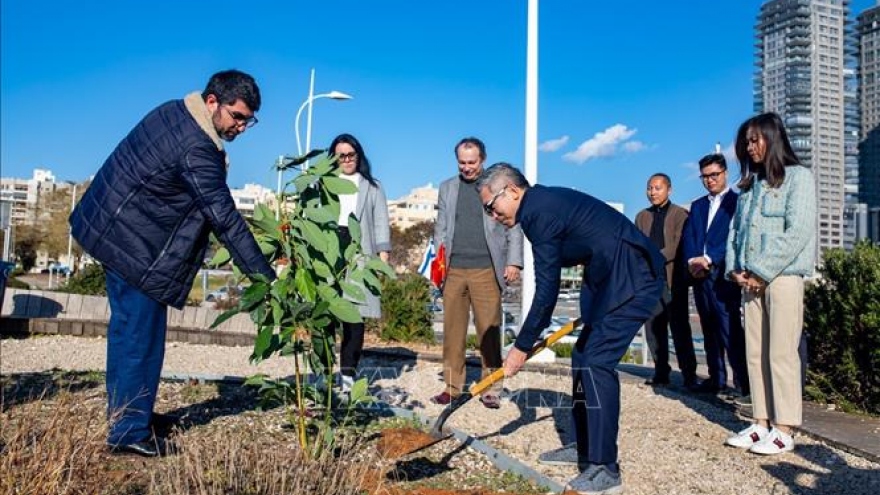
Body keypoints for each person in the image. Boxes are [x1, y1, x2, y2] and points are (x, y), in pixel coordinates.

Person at [69, 70, 276, 457]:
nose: (242, 127)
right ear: (213, 102)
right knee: (140, 339)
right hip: (134, 244)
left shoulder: (175, 111)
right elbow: (224, 219)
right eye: (237, 116)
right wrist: (267, 278)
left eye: (249, 120)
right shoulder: (196, 147)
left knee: (129, 331)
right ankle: (128, 433)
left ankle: (131, 414)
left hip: (117, 231)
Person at [477, 163, 665, 494]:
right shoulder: (540, 208)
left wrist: (520, 348)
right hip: (609, 280)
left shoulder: (539, 213)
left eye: (491, 206)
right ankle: (584, 447)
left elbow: (547, 292)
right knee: (581, 356)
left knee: (597, 362)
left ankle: (606, 468)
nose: (493, 216)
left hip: (634, 278)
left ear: (513, 191)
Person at [724, 112, 816, 455]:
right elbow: (737, 232)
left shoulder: (798, 178)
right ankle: (760, 421)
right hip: (750, 281)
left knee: (781, 352)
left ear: (772, 138)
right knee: (755, 353)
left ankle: (785, 426)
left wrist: (760, 270)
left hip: (783, 278)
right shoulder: (750, 187)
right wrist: (736, 270)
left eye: (755, 140)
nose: (750, 148)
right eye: (746, 142)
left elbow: (798, 232)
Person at [431, 137, 523, 409]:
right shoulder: (447, 188)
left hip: (486, 269)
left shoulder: (495, 185)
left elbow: (514, 226)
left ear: (482, 159)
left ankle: (491, 387)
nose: (467, 167)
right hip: (453, 270)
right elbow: (441, 228)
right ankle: (451, 387)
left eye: (472, 162)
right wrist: (438, 265)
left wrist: (514, 262)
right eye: (462, 162)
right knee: (453, 332)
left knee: (489, 332)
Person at [325, 133, 391, 391]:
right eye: (341, 155)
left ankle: (348, 377)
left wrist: (383, 255)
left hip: (359, 251)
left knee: (354, 317)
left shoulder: (372, 186)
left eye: (351, 154)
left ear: (359, 155)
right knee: (327, 315)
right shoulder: (325, 184)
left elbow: (381, 222)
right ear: (334, 158)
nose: (347, 159)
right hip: (329, 250)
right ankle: (323, 372)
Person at [681, 153, 750, 397]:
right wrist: (692, 261)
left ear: (725, 173)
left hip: (724, 276)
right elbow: (690, 237)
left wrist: (709, 258)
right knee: (708, 329)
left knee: (730, 330)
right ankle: (716, 379)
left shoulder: (738, 202)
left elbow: (735, 238)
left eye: (714, 175)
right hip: (700, 276)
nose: (709, 180)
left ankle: (743, 384)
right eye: (705, 176)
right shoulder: (698, 205)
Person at [634, 173, 698, 388]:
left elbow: (678, 245)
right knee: (653, 329)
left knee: (679, 328)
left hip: (672, 280)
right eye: (650, 188)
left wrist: (653, 258)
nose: (653, 192)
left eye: (658, 188)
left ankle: (689, 374)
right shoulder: (641, 216)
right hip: (649, 281)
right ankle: (661, 371)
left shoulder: (680, 214)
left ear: (669, 190)